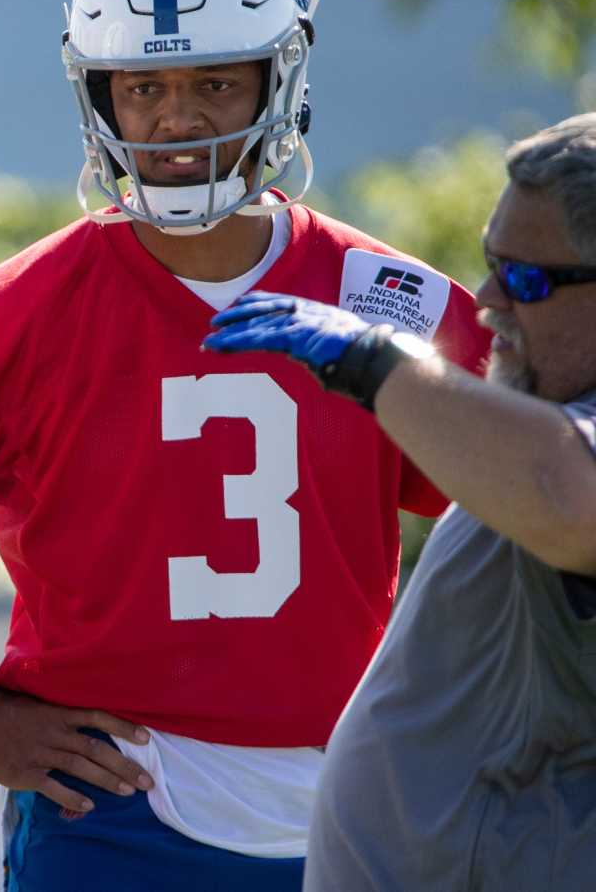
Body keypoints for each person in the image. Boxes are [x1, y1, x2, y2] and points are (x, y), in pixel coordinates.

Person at [0, 0, 493, 890]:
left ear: (281, 79)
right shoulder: (23, 308)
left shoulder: (392, 300)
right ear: (100, 93)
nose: (177, 115)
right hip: (110, 804)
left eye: (215, 81)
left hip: (348, 802)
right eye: (144, 85)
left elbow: (539, 506)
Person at [204, 113, 596, 891]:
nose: (487, 302)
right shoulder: (543, 413)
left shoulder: (558, 452)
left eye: (526, 280)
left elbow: (571, 501)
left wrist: (373, 363)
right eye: (492, 266)